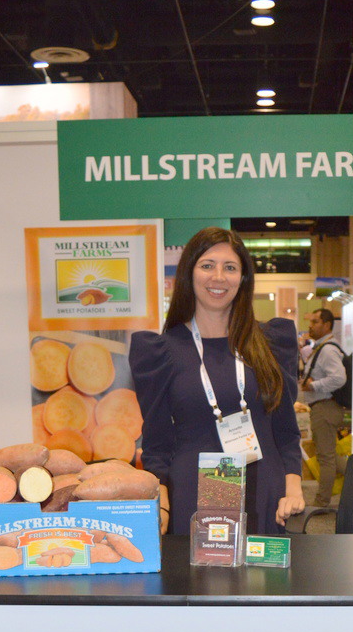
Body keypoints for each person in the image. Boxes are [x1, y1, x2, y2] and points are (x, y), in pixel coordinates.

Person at [129, 228, 305, 536]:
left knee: (261, 568)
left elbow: (286, 428)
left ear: (243, 277)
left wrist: (293, 487)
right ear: (189, 273)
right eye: (207, 265)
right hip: (192, 495)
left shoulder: (271, 343)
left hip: (266, 491)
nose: (219, 277)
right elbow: (157, 441)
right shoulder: (162, 351)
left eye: (230, 267)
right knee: (202, 568)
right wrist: (162, 501)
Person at [300, 307, 347, 509]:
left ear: (327, 325)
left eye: (315, 322)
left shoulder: (327, 350)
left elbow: (339, 378)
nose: (310, 325)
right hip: (322, 407)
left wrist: (314, 386)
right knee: (327, 455)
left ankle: (321, 503)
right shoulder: (322, 347)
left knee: (326, 458)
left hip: (325, 407)